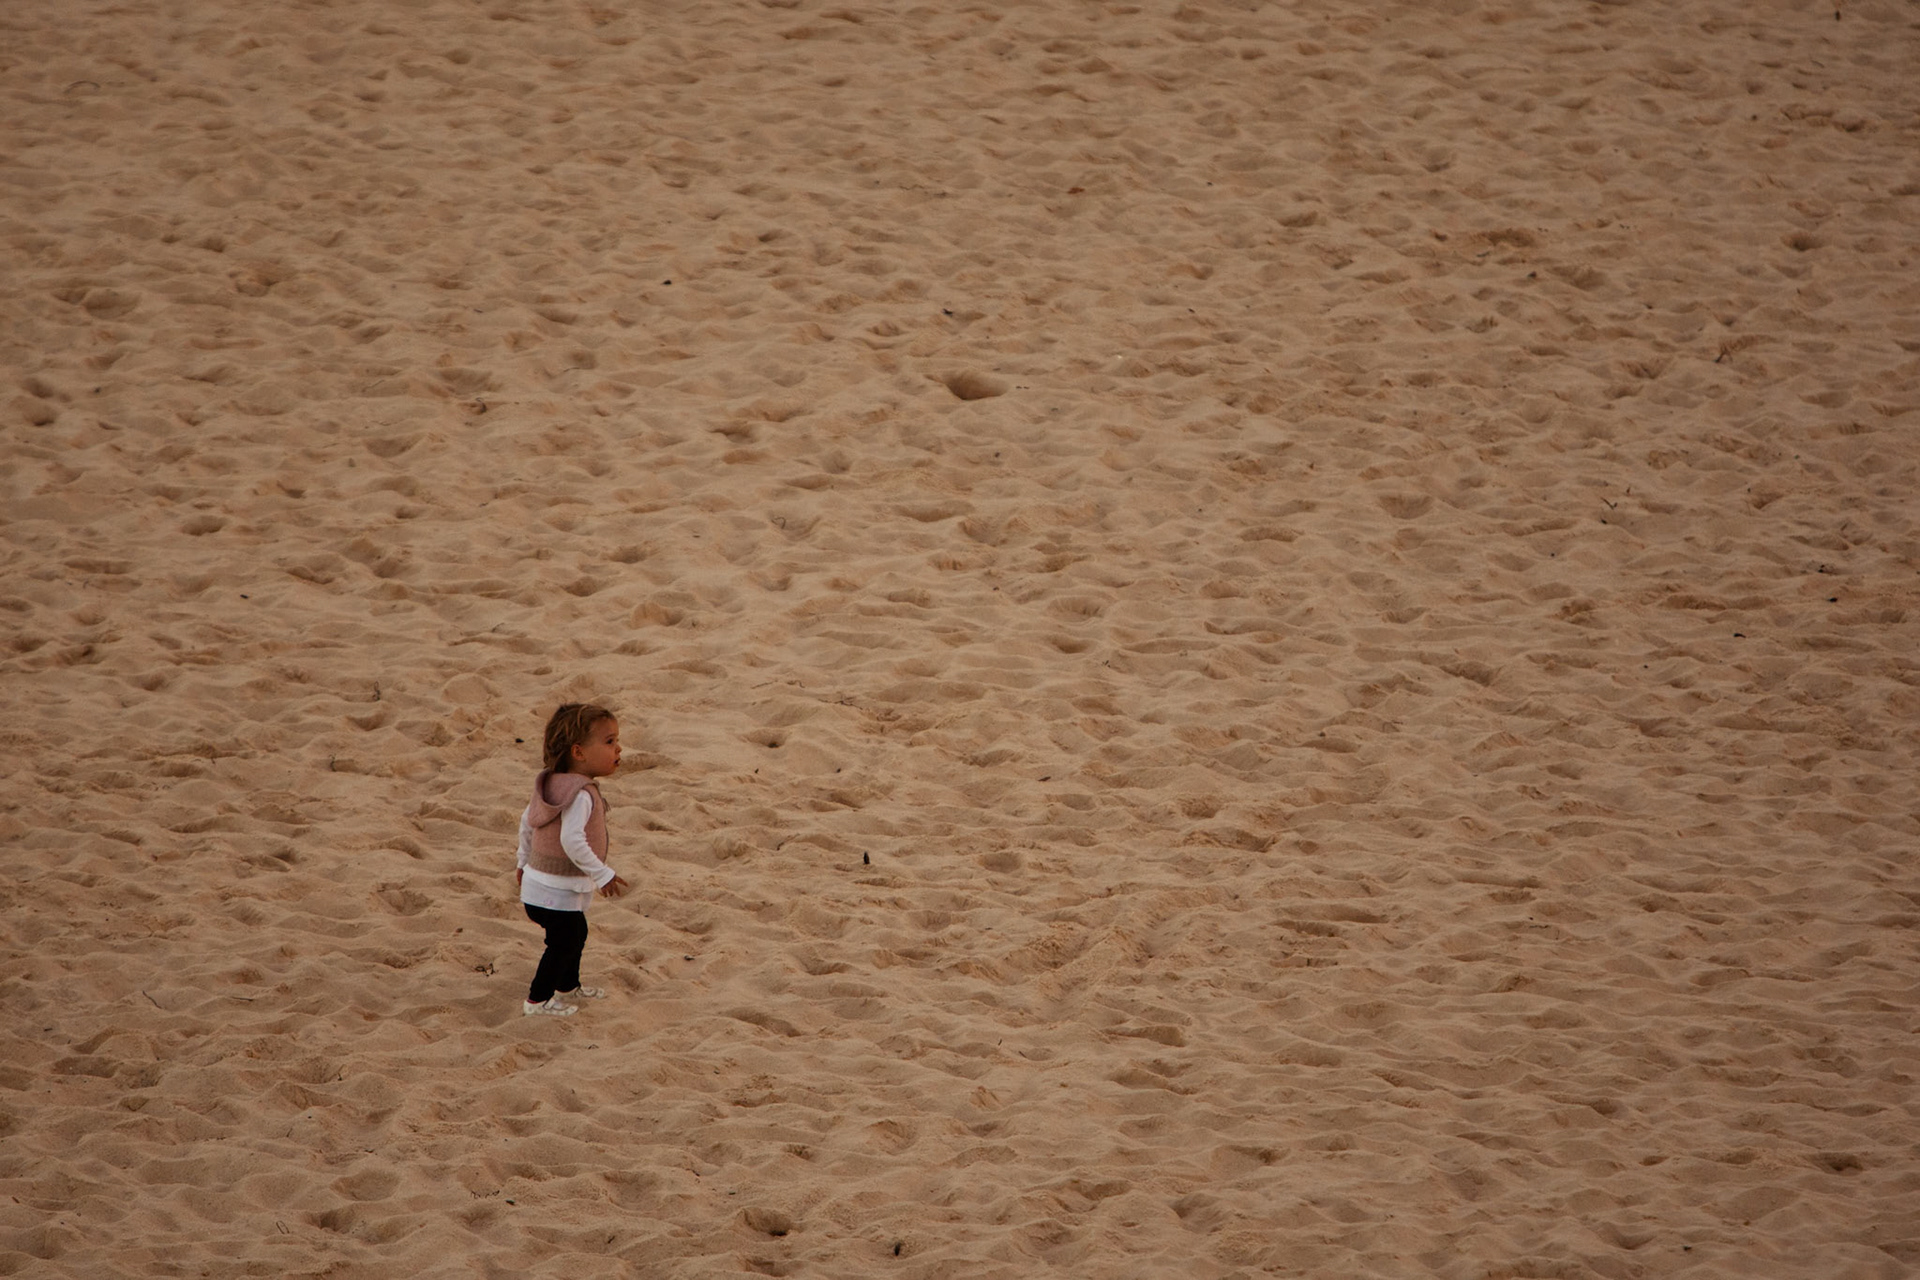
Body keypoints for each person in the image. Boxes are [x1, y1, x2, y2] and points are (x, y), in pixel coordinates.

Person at [516, 703, 630, 1016]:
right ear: (578, 752)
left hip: (540, 885)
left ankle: (567, 986)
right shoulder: (580, 794)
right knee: (564, 942)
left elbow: (527, 821)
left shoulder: (551, 783)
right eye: (609, 742)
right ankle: (537, 1000)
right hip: (555, 889)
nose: (618, 748)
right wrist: (602, 873)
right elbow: (571, 840)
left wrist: (522, 862)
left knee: (576, 933)